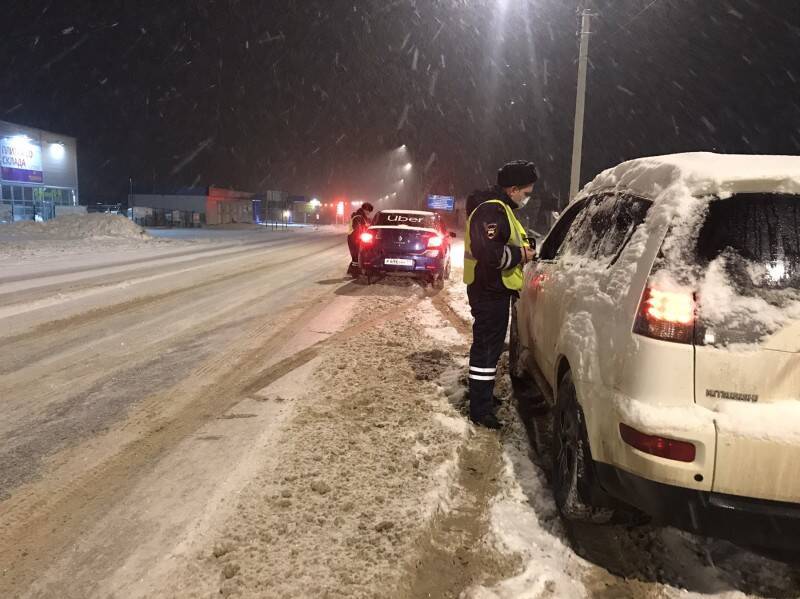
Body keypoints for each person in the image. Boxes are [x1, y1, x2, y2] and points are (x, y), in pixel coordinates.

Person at [463, 161, 538, 429]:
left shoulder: (500, 208)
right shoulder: (492, 211)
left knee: (490, 349)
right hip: (489, 290)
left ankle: (482, 398)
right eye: (526, 193)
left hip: (493, 290)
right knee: (485, 351)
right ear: (513, 188)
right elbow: (490, 254)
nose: (527, 198)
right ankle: (480, 411)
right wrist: (522, 255)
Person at [347, 202, 374, 275]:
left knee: (355, 256)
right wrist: (360, 239)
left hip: (354, 237)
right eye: (369, 211)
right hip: (354, 238)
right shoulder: (359, 217)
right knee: (355, 256)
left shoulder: (360, 216)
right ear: (366, 209)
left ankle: (352, 271)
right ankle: (355, 273)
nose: (369, 213)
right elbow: (358, 229)